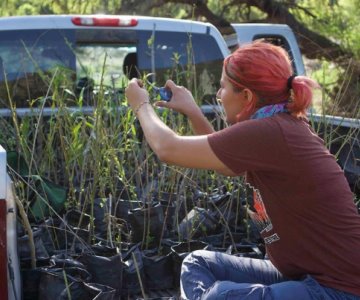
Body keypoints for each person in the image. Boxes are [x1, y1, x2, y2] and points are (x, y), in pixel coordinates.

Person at [125, 41, 360, 300]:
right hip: (303, 276)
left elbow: (167, 148)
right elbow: (228, 168)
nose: (218, 94)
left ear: (247, 96)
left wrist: (141, 106)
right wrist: (192, 111)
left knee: (220, 296)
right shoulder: (280, 125)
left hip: (338, 290)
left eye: (223, 86)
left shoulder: (270, 131)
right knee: (198, 264)